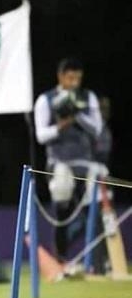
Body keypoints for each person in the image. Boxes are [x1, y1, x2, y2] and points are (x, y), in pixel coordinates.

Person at [34, 57, 102, 264]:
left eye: (78, 78)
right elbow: (41, 135)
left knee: (96, 206)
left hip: (85, 163)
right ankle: (61, 258)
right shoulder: (45, 99)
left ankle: (99, 262)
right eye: (70, 78)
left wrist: (77, 115)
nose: (74, 83)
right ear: (61, 76)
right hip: (59, 163)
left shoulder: (88, 97)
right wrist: (60, 126)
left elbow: (97, 129)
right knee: (62, 203)